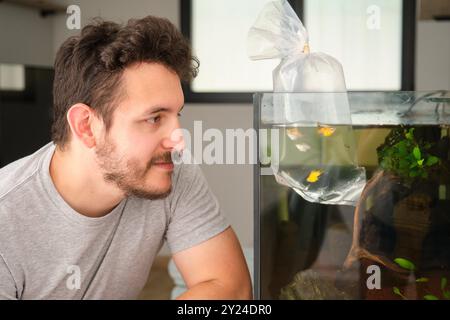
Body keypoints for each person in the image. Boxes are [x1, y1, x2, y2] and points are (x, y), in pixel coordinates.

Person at [0, 15, 252, 300]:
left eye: (175, 114)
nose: (178, 140)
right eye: (154, 118)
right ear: (86, 126)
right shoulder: (6, 221)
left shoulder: (171, 170)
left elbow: (230, 287)